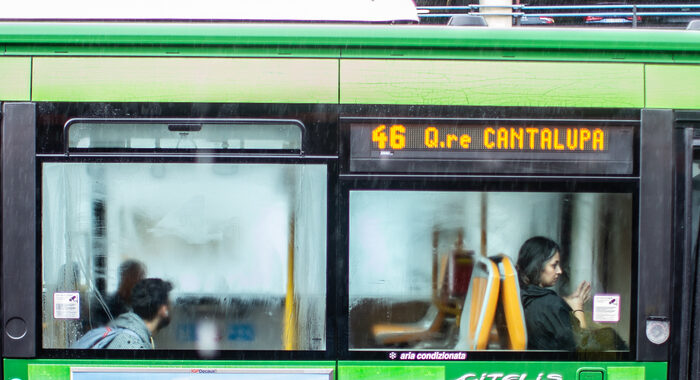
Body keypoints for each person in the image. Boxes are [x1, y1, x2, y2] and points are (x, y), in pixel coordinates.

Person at [516, 236, 590, 351]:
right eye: (554, 265)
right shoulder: (551, 305)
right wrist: (578, 308)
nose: (559, 271)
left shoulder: (522, 296)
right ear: (538, 266)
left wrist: (564, 304)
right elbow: (585, 351)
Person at [104, 278, 173, 349]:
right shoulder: (131, 344)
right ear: (163, 309)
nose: (170, 308)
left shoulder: (126, 333)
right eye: (169, 304)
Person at [91, 260, 146, 327]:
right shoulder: (107, 306)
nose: (141, 282)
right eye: (138, 277)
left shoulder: (140, 307)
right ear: (124, 277)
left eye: (142, 277)